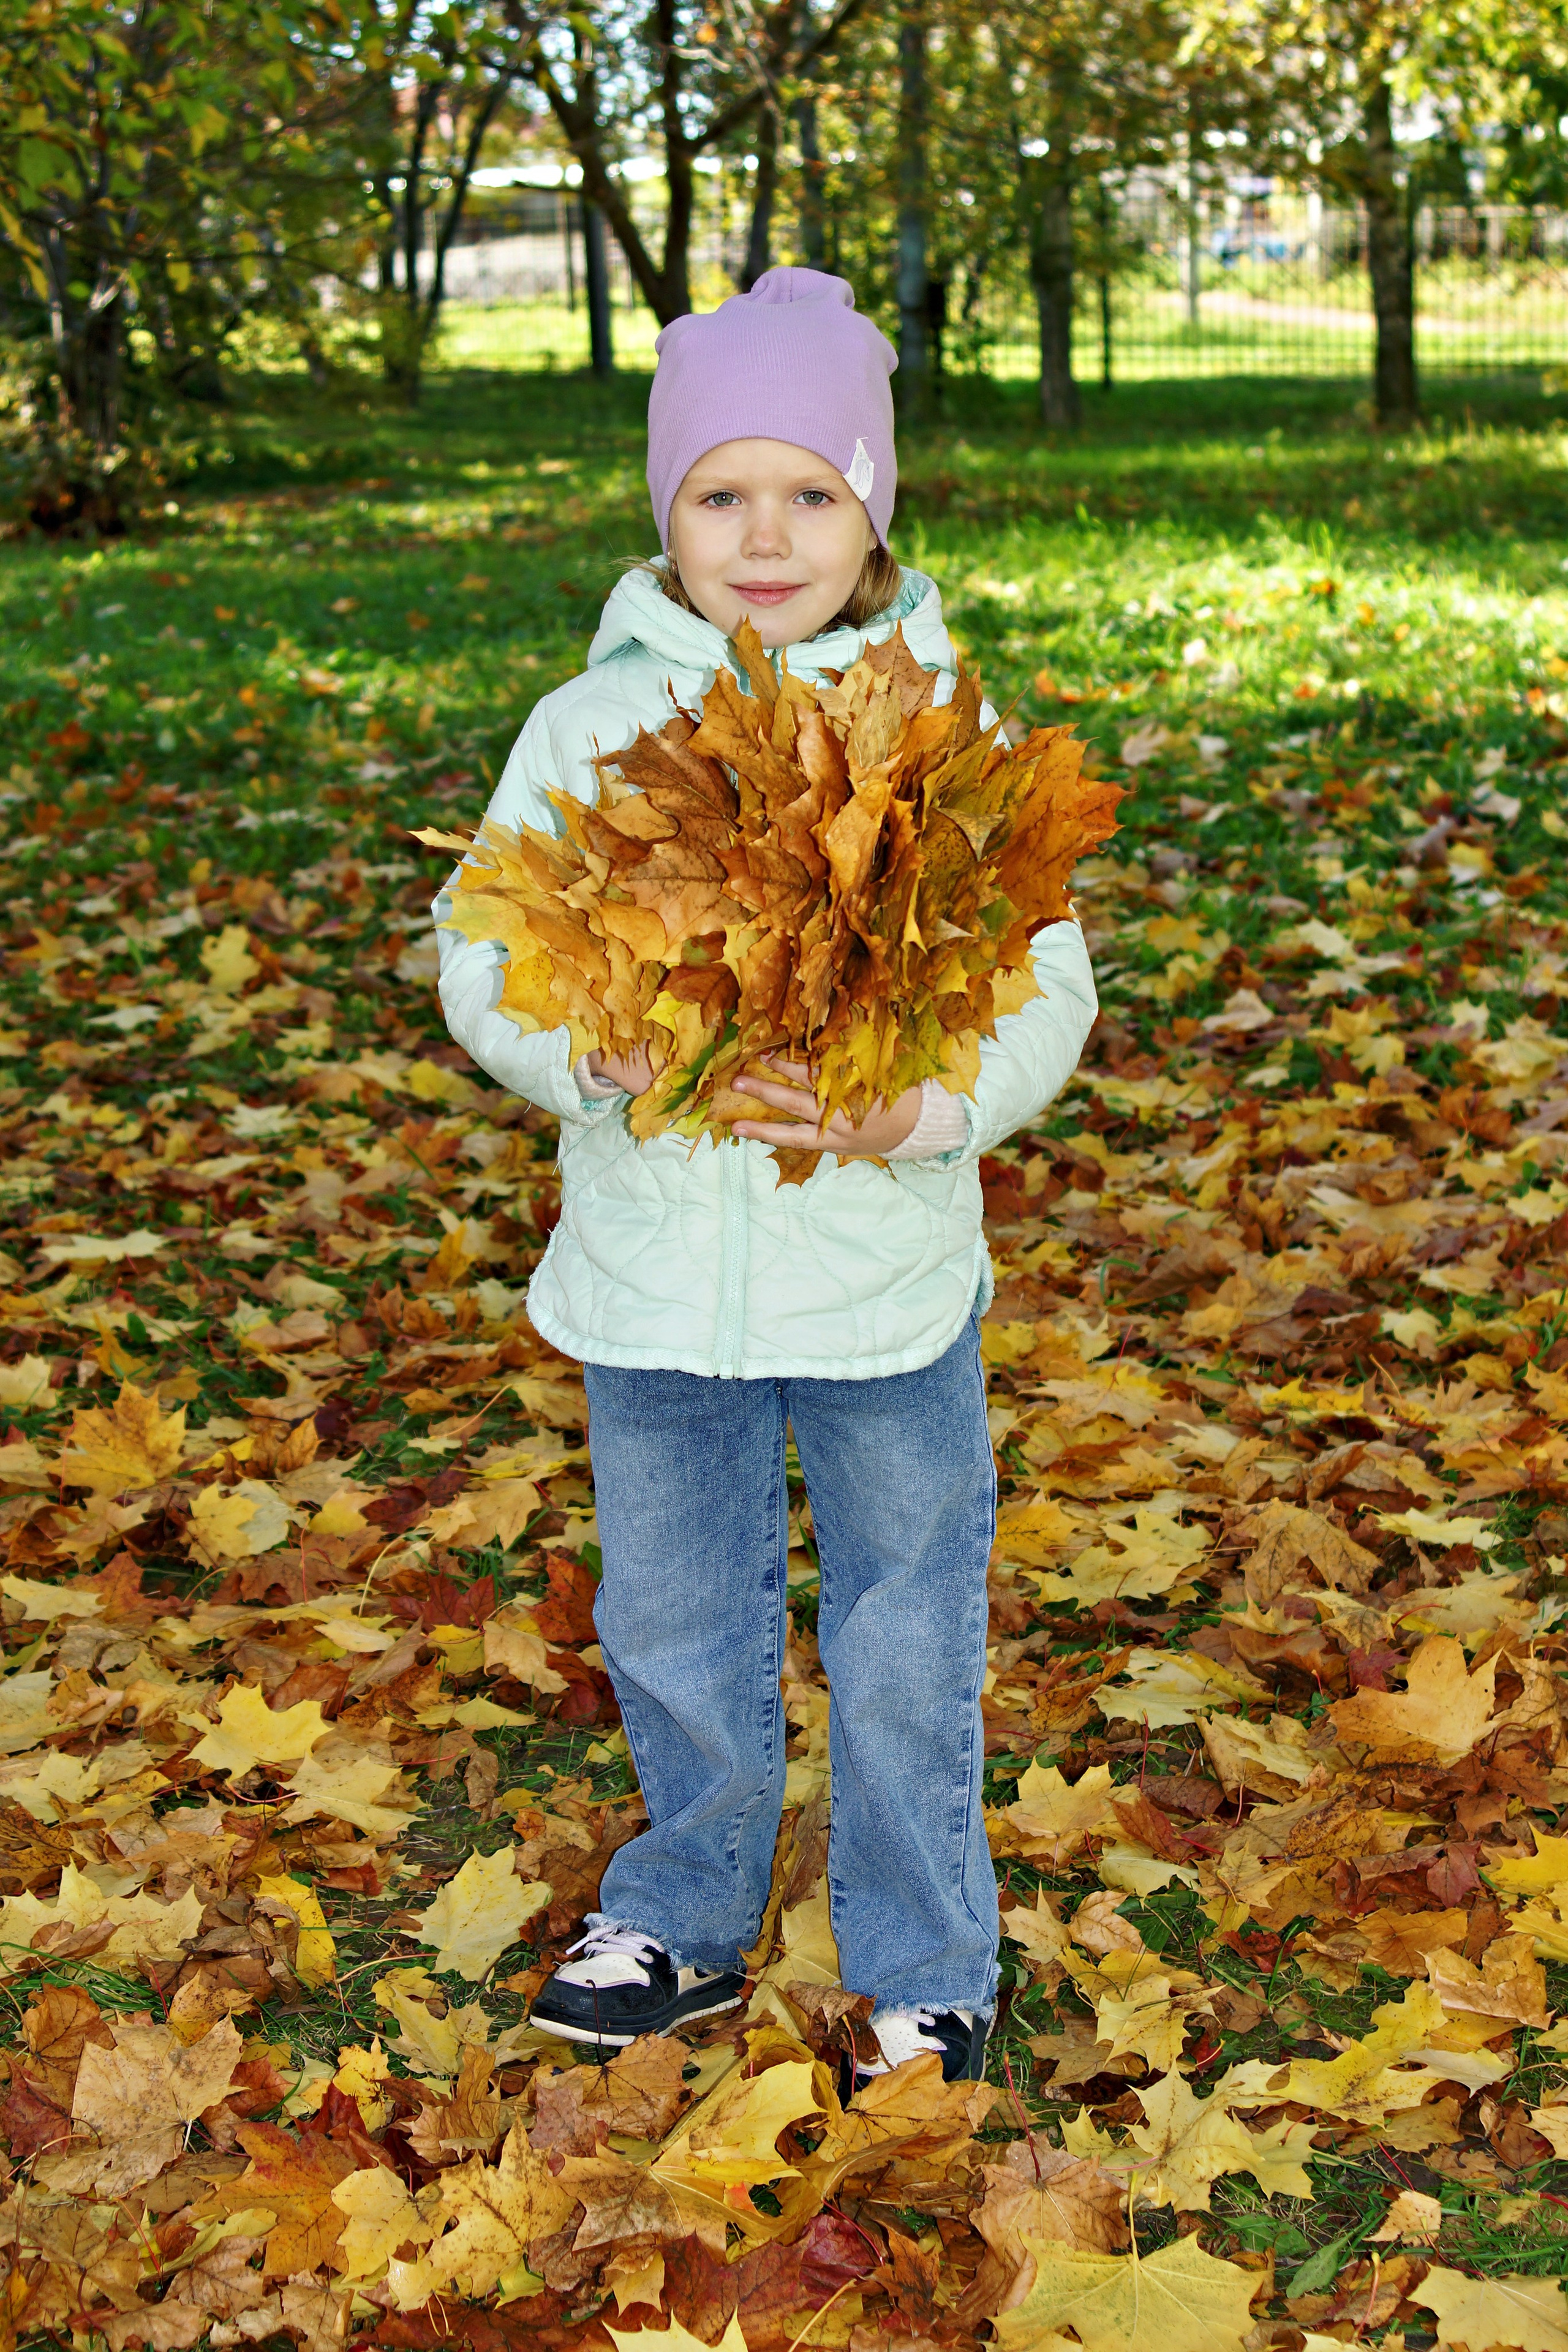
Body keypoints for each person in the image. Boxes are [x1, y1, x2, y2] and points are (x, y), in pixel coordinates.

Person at [434, 266, 1097, 2087]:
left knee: (903, 1626)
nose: (765, 532)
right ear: (665, 514)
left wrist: (921, 1116)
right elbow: (477, 946)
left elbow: (1045, 986)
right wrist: (583, 1053)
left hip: (879, 1287)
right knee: (669, 1614)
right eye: (719, 493)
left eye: (811, 491)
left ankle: (925, 1954)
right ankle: (689, 1906)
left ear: (873, 507)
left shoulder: (939, 731)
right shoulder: (584, 732)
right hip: (649, 1284)